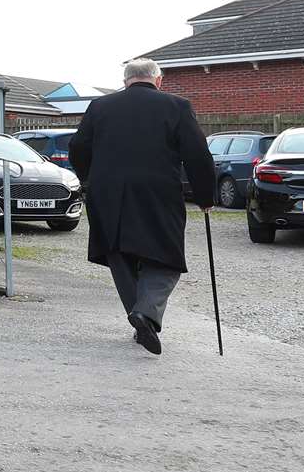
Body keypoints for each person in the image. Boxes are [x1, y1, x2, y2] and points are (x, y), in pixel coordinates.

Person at [69, 57, 215, 356]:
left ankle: (140, 321)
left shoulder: (100, 107)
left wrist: (91, 180)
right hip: (158, 192)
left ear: (125, 81)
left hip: (107, 193)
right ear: (158, 80)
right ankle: (146, 313)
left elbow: (78, 148)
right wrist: (205, 197)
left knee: (120, 254)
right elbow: (197, 154)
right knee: (165, 256)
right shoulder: (177, 106)